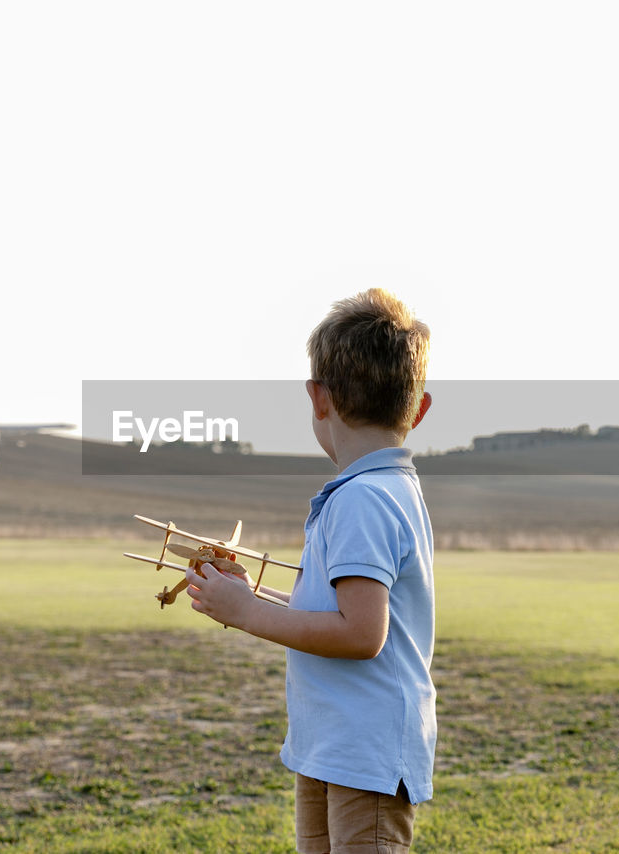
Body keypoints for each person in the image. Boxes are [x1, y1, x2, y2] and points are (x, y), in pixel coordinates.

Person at [186, 288, 435, 854]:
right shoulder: (382, 490)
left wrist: (246, 613)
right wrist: (254, 596)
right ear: (418, 410)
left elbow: (360, 633)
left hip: (362, 756)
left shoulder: (364, 499)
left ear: (317, 397)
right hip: (332, 746)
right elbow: (337, 614)